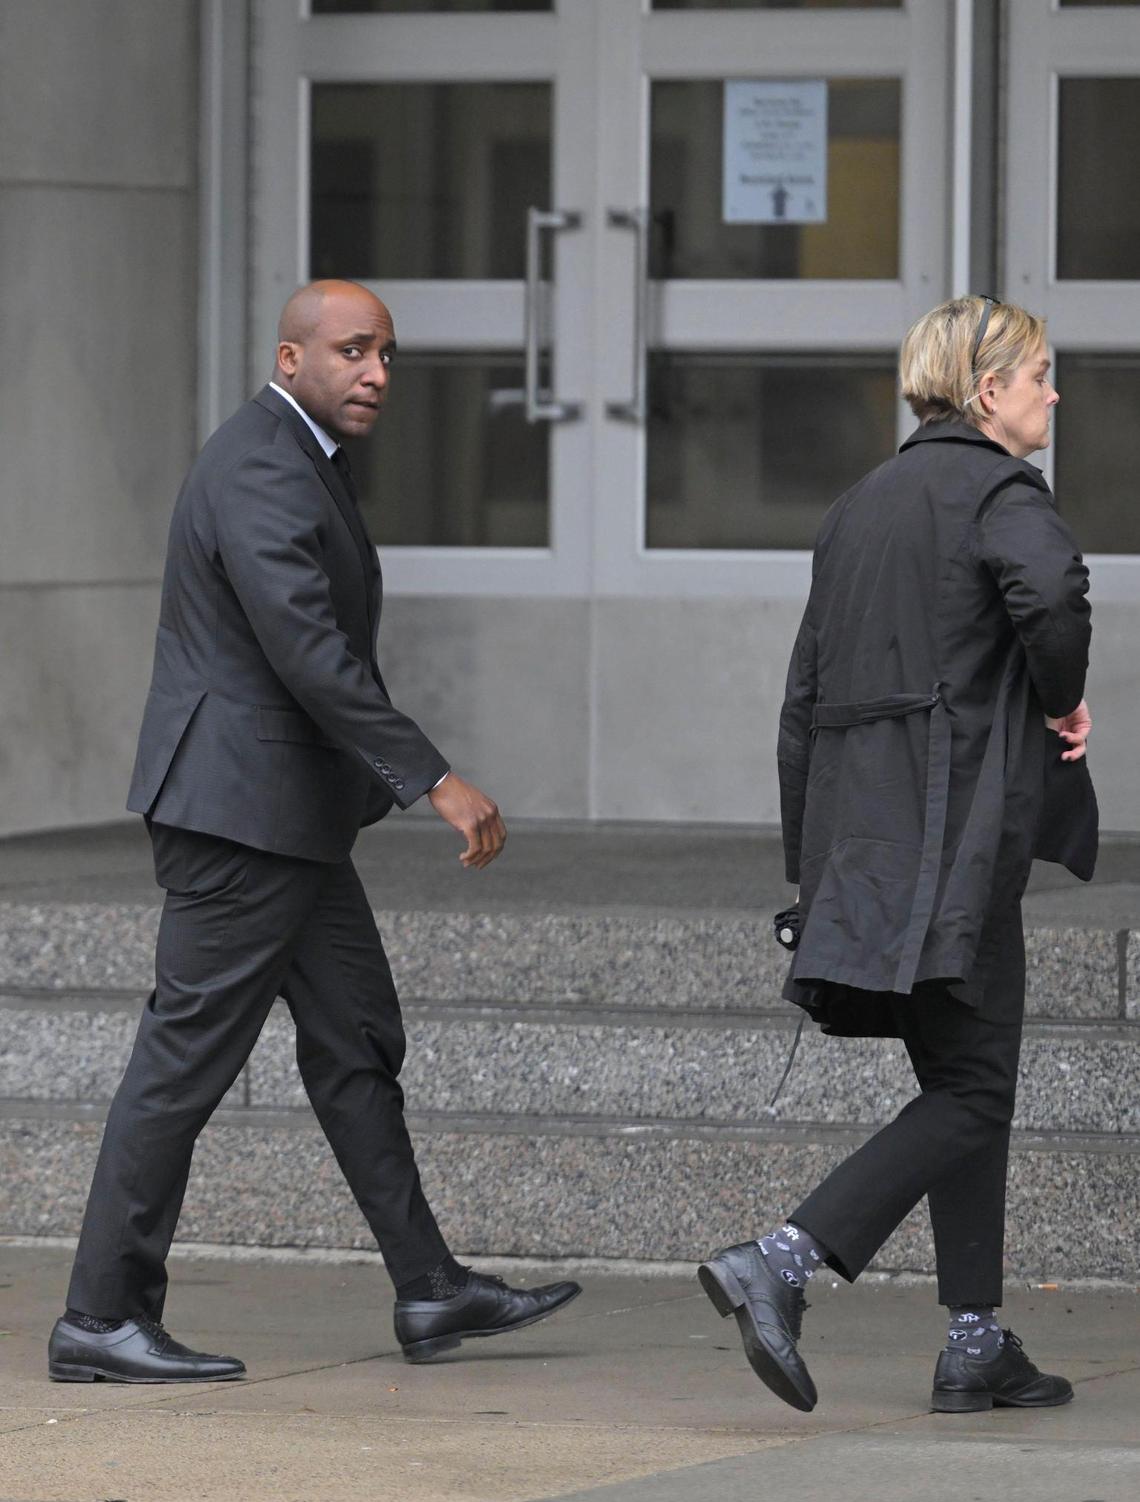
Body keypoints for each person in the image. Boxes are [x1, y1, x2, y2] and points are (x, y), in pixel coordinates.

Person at [48, 280, 580, 1384]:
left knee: (356, 1039)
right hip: (239, 821)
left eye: (387, 352)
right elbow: (305, 648)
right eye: (352, 350)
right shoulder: (256, 462)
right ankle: (100, 1313)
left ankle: (430, 1289)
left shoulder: (296, 458)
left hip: (282, 820)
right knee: (183, 1062)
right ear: (290, 359)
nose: (377, 371)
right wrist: (433, 776)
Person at [698, 296, 1096, 1415]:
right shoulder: (1001, 492)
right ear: (985, 392)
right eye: (1039, 376)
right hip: (954, 844)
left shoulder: (857, 506)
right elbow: (1055, 592)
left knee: (962, 1082)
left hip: (870, 847)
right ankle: (778, 1258)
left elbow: (802, 697)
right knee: (974, 1089)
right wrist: (1064, 702)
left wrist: (810, 864)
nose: (1053, 395)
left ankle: (976, 1340)